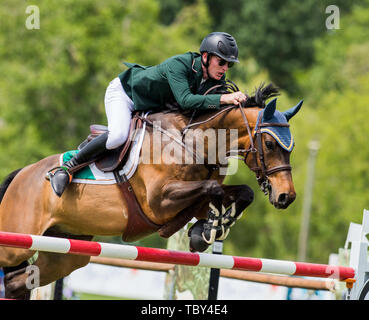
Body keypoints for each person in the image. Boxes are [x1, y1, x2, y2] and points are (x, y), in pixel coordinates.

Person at [48, 32, 247, 197]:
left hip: (152, 109)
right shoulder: (180, 64)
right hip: (126, 94)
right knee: (118, 135)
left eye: (230, 65)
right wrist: (224, 99)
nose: (224, 68)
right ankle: (67, 168)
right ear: (205, 57)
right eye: (221, 62)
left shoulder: (216, 81)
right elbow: (186, 100)